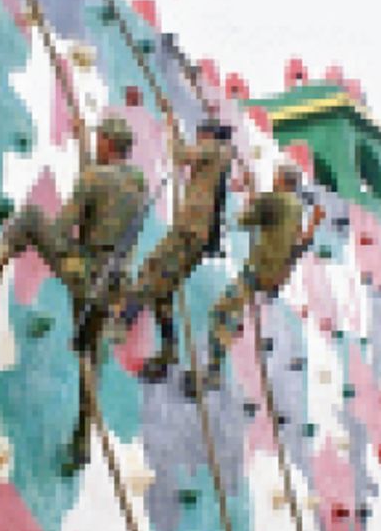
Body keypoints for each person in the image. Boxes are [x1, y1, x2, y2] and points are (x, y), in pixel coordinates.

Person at [0, 114, 148, 469]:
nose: (96, 143)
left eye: (100, 139)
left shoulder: (94, 178)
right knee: (89, 358)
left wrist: (77, 197)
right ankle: (81, 441)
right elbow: (109, 203)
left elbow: (63, 226)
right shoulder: (139, 187)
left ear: (109, 144)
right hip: (112, 288)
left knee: (30, 219)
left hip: (84, 273)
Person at [112, 119, 235, 380]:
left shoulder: (214, 148)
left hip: (189, 231)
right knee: (163, 291)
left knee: (151, 270)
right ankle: (168, 352)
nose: (198, 138)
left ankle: (123, 322)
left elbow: (180, 155)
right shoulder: (220, 155)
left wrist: (171, 131)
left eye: (199, 134)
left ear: (207, 135)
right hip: (195, 233)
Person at [206, 163, 324, 383]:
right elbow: (298, 246)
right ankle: (233, 330)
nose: (273, 180)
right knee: (233, 309)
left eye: (276, 177)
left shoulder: (273, 200)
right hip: (276, 275)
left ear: (281, 180)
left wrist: (250, 197)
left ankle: (213, 371)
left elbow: (242, 221)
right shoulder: (297, 209)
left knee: (220, 312)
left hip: (258, 270)